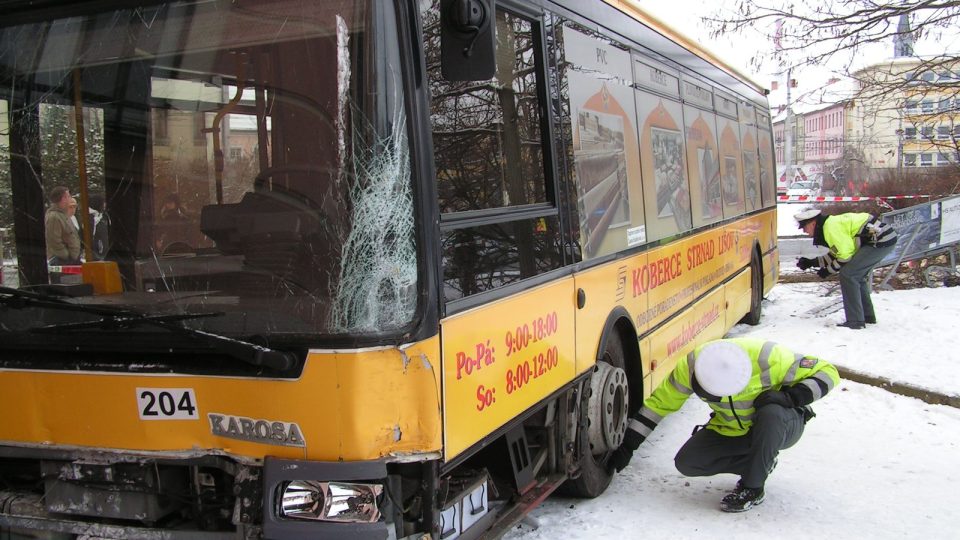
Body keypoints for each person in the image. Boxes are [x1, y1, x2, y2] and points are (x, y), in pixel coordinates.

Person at [608, 338, 840, 513]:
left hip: (783, 424)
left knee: (771, 413)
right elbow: (658, 406)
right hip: (732, 429)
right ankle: (760, 463)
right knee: (688, 462)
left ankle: (752, 487)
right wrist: (628, 445)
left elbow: (828, 372)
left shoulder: (768, 358)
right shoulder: (691, 366)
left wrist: (791, 397)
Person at [794, 208, 898, 329]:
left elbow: (845, 257)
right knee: (856, 276)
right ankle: (866, 316)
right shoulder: (829, 225)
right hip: (883, 238)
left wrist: (828, 270)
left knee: (849, 274)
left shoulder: (830, 228)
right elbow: (837, 254)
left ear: (812, 223)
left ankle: (855, 321)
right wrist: (811, 262)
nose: (805, 231)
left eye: (804, 227)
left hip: (880, 241)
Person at [44, 186, 81, 265]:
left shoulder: (64, 215)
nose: (70, 199)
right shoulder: (54, 217)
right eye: (68, 196)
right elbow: (54, 240)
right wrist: (66, 256)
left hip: (72, 260)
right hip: (62, 261)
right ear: (63, 199)